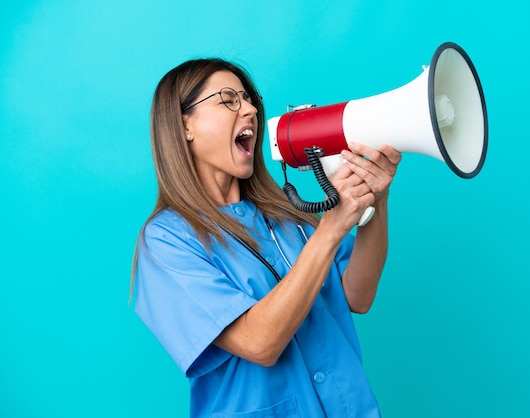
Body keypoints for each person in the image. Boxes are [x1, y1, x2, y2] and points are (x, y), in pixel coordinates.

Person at [131, 57, 401, 418]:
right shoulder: (166, 242)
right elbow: (260, 343)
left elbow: (358, 295)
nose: (250, 110)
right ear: (184, 128)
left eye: (248, 98)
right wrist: (332, 226)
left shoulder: (287, 215)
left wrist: (374, 203)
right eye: (228, 99)